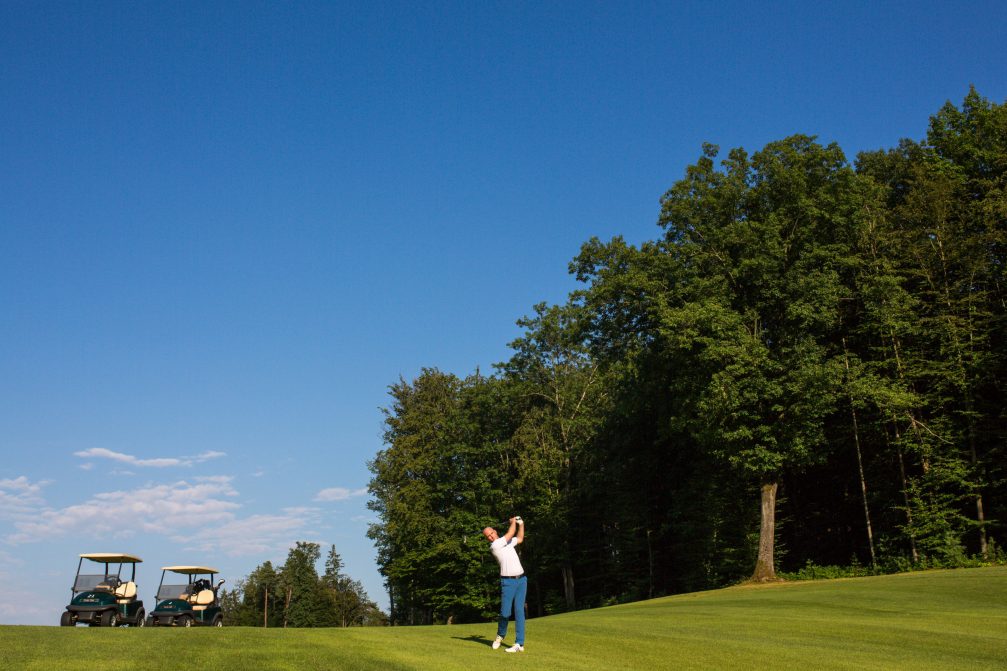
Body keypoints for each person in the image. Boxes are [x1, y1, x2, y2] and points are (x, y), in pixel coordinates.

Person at [482, 516, 526, 653]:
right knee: (505, 612)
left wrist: (521, 524)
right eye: (487, 536)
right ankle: (500, 636)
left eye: (491, 533)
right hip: (508, 582)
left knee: (519, 611)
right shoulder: (495, 545)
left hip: (522, 580)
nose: (490, 537)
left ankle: (519, 643)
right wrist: (513, 522)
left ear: (495, 531)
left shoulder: (507, 542)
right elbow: (511, 533)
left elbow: (519, 538)